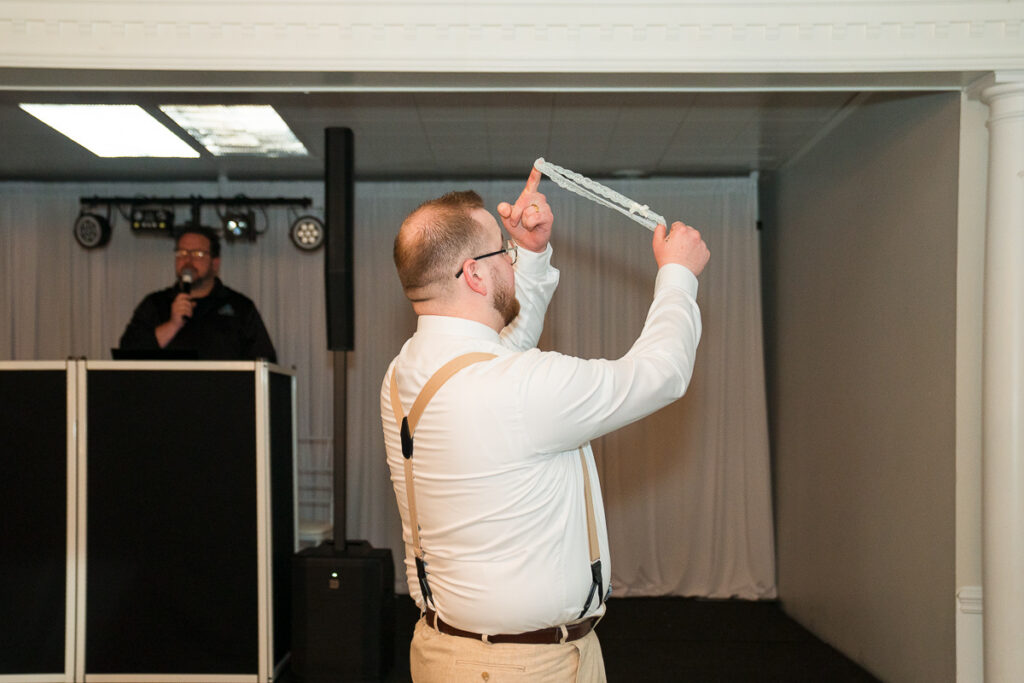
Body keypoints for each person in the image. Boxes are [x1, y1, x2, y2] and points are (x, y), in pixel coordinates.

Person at [380, 167, 710, 682]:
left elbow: (499, 349)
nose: (510, 258)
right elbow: (661, 374)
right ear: (474, 275)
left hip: (454, 655)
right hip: (521, 668)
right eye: (503, 251)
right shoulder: (517, 387)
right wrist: (678, 275)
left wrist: (530, 254)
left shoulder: (403, 373)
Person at [119, 226, 277, 362]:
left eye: (198, 254)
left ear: (215, 263)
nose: (187, 261)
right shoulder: (155, 304)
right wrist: (172, 325)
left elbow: (264, 363)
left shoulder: (240, 307)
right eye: (181, 253)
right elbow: (127, 357)